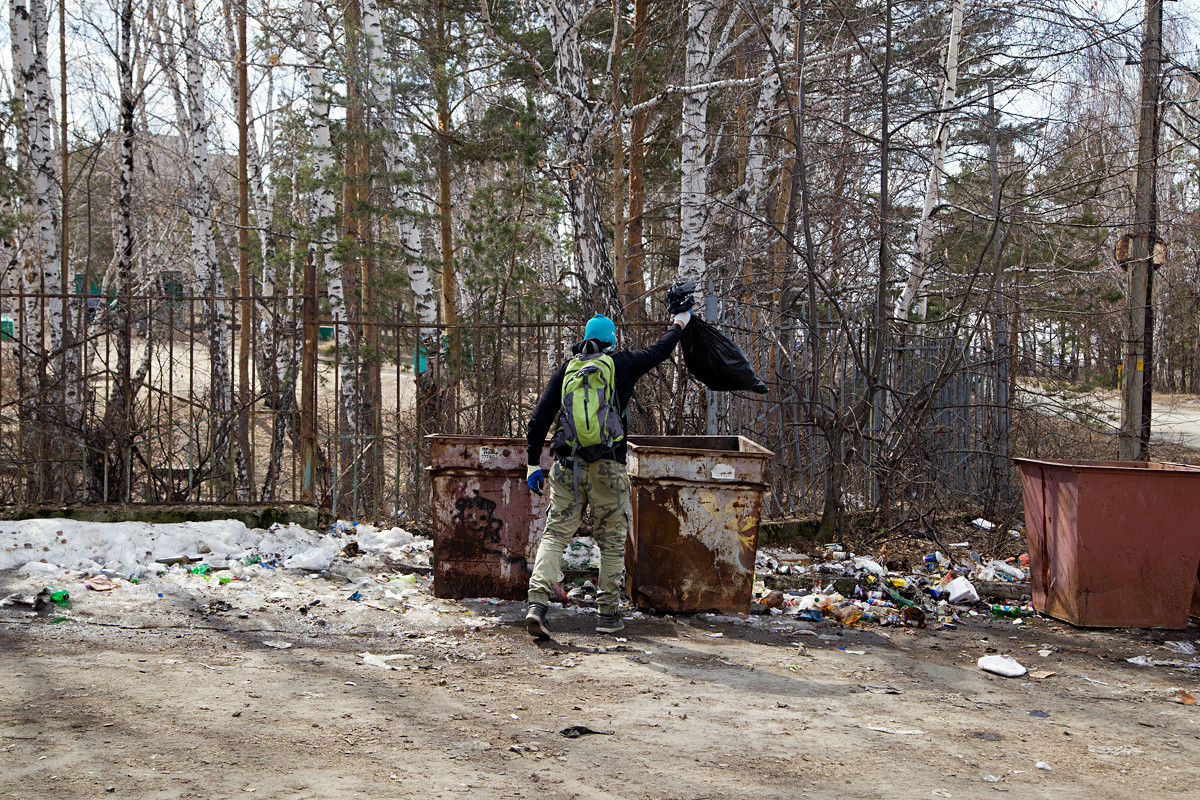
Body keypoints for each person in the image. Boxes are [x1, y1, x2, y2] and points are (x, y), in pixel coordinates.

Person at [524, 306, 691, 638]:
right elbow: (660, 351)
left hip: (567, 466)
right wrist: (679, 324)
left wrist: (532, 463)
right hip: (608, 468)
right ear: (611, 341)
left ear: (585, 339)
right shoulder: (621, 364)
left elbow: (539, 419)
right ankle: (608, 615)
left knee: (556, 535)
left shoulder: (567, 370)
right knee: (611, 542)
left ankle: (537, 605)